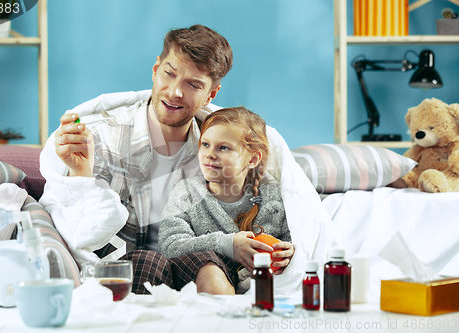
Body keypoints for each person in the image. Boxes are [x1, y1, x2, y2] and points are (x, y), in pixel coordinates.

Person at [39, 24, 334, 296]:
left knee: (210, 267)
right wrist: (80, 174)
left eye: (194, 84)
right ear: (155, 69)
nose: (176, 91)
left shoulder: (221, 145)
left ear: (211, 94)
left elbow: (278, 209)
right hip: (128, 264)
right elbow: (77, 228)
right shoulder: (101, 139)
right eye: (169, 73)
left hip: (199, 257)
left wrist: (279, 249)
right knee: (149, 263)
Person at [159, 107, 294, 293]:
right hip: (198, 280)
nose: (209, 154)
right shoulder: (186, 194)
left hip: (260, 287)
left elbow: (295, 240)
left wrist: (288, 252)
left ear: (253, 159)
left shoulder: (274, 201)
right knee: (209, 269)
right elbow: (170, 246)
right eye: (205, 144)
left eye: (223, 147)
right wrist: (226, 244)